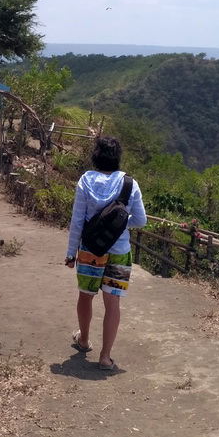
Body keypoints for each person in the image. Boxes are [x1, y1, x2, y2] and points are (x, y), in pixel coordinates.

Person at [65, 135, 147, 371]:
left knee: (85, 296)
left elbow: (77, 222)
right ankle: (105, 357)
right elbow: (140, 220)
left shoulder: (85, 181)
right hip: (120, 251)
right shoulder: (130, 184)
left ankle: (83, 340)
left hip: (90, 251)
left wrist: (71, 254)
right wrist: (119, 224)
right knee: (113, 304)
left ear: (96, 157)